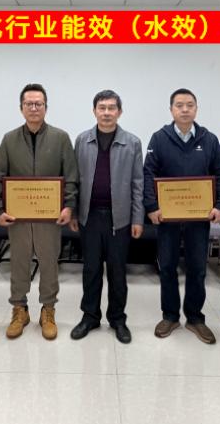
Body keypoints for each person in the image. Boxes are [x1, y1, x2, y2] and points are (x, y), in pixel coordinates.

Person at [0, 83, 78, 340]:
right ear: (21, 108)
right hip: (18, 217)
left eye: (38, 103)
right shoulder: (9, 139)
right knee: (19, 262)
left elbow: (71, 176)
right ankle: (20, 310)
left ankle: (48, 310)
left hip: (49, 216)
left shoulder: (60, 138)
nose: (33, 108)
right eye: (28, 104)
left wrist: (69, 206)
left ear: (46, 108)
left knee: (49, 262)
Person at [143, 88, 220, 344]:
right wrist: (151, 206)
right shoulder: (159, 138)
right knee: (167, 267)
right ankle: (170, 316)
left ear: (196, 109)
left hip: (198, 218)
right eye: (179, 105)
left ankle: (195, 317)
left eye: (189, 105)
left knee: (197, 268)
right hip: (167, 217)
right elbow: (148, 173)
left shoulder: (209, 139)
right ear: (171, 109)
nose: (184, 109)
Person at [69, 90, 144, 344]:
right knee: (90, 270)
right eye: (102, 108)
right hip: (89, 217)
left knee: (117, 272)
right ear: (94, 111)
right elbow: (74, 180)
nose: (107, 113)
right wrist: (74, 211)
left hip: (119, 219)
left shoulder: (132, 143)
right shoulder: (82, 140)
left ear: (119, 112)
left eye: (112, 108)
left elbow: (138, 183)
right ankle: (90, 316)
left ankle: (117, 319)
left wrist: (137, 218)